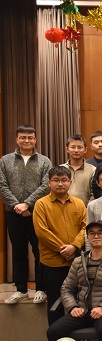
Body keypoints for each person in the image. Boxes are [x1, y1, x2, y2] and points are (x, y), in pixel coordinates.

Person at [0, 124, 51, 304]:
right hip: (13, 213)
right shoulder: (5, 160)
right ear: (17, 139)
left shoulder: (44, 161)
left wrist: (27, 203)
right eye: (23, 137)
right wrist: (17, 205)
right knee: (19, 252)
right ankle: (20, 290)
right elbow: (2, 185)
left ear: (35, 140)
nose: (26, 140)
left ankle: (41, 289)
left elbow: (46, 186)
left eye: (30, 137)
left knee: (40, 251)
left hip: (38, 212)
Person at [33, 166, 86, 324]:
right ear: (49, 183)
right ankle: (56, 334)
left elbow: (85, 227)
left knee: (78, 300)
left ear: (70, 182)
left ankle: (74, 334)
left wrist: (74, 246)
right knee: (55, 302)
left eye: (64, 180)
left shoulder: (79, 203)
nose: (60, 184)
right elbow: (42, 231)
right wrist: (63, 249)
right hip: (52, 262)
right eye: (56, 180)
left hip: (75, 261)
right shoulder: (41, 204)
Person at [62, 134, 95, 205]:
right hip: (62, 208)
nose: (76, 150)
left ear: (85, 150)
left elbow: (94, 194)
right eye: (73, 147)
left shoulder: (92, 170)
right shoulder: (61, 169)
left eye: (80, 147)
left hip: (84, 209)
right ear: (67, 149)